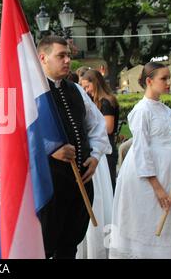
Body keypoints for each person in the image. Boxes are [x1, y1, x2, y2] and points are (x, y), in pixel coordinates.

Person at [37, 36, 110, 259]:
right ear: (43, 57)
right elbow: (14, 135)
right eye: (61, 55)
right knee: (44, 246)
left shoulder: (76, 90)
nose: (68, 60)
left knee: (70, 245)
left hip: (79, 183)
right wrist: (50, 148)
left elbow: (97, 125)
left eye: (69, 55)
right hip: (47, 185)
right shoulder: (28, 92)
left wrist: (96, 155)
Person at [110, 62, 171, 259]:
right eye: (164, 78)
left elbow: (170, 137)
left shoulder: (162, 108)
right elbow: (141, 150)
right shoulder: (141, 110)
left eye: (169, 77)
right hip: (150, 178)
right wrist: (157, 187)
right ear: (149, 81)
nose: (169, 82)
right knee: (150, 222)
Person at [80, 69, 120, 192]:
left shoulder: (106, 102)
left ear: (96, 83)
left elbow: (108, 128)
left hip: (107, 150)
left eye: (88, 86)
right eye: (84, 88)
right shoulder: (99, 101)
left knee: (109, 186)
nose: (87, 90)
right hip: (105, 148)